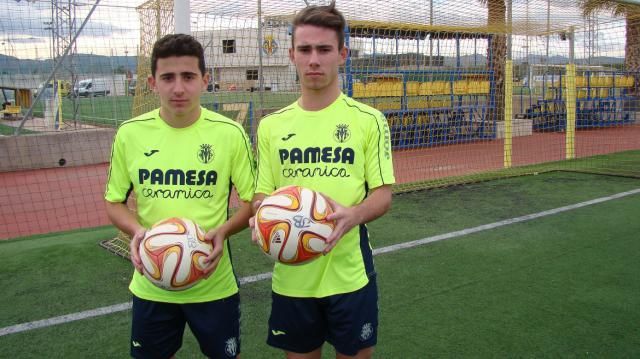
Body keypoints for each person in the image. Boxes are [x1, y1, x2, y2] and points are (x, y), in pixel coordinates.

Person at [250, 2, 395, 358]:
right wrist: (260, 219)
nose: (314, 59)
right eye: (305, 50)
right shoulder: (271, 126)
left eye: (324, 49)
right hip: (292, 278)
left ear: (342, 54)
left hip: (349, 275)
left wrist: (353, 215)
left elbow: (382, 195)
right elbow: (261, 196)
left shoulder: (369, 120)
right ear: (292, 55)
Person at [104, 33, 255, 359]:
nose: (178, 87)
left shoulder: (230, 134)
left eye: (188, 77)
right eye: (167, 77)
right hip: (151, 282)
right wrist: (138, 232)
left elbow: (251, 202)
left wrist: (223, 232)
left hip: (214, 284)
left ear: (205, 80)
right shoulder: (130, 134)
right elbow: (113, 201)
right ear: (151, 82)